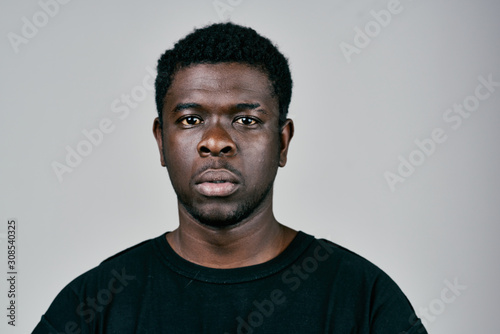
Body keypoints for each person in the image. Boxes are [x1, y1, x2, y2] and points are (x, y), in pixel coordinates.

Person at [33, 22, 427, 334]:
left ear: (283, 142)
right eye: (191, 120)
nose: (216, 141)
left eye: (246, 120)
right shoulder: (94, 303)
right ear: (161, 141)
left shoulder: (363, 298)